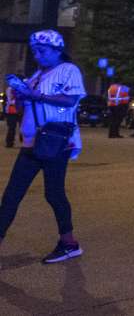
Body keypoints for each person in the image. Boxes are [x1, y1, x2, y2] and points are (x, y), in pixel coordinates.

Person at [0, 29, 86, 263]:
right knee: (11, 195)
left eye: (42, 50)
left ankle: (69, 243)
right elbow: (24, 106)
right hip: (33, 142)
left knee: (54, 193)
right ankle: (68, 243)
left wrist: (36, 96)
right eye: (35, 51)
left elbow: (70, 100)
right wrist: (20, 96)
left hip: (56, 142)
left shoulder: (69, 70)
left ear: (58, 50)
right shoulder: (37, 75)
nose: (37, 55)